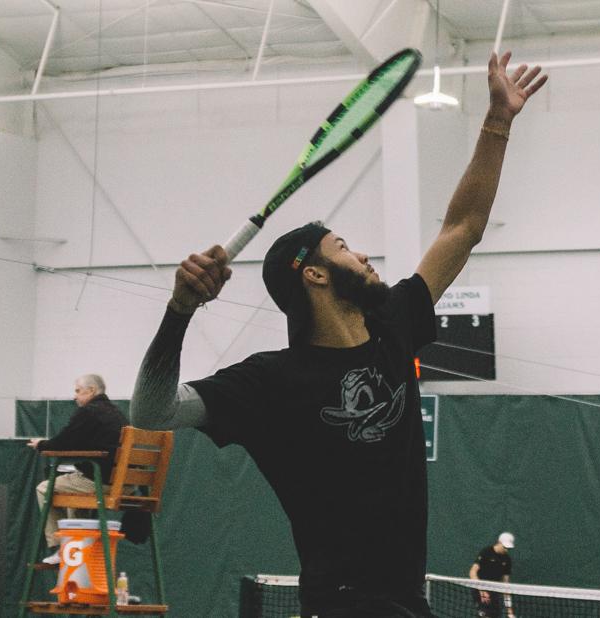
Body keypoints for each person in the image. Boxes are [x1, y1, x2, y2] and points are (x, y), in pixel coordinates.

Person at [128, 51, 546, 618]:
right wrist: (178, 312)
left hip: (405, 600)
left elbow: (463, 228)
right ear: (314, 274)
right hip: (343, 605)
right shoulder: (268, 381)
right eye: (345, 246)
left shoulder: (393, 326)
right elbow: (151, 413)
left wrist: (498, 123)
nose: (365, 254)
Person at [28, 374, 128, 564]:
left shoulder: (90, 412)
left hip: (104, 481)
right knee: (74, 495)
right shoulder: (117, 414)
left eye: (77, 391)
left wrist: (42, 445)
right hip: (127, 483)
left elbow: (64, 441)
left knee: (43, 488)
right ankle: (78, 547)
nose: (74, 396)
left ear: (91, 390)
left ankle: (60, 546)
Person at [469, 532, 516, 618]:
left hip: (494, 591)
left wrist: (510, 611)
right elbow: (472, 572)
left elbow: (506, 585)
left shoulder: (507, 560)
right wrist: (481, 590)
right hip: (479, 589)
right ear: (499, 542)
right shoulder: (486, 552)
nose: (506, 550)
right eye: (505, 547)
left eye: (508, 548)